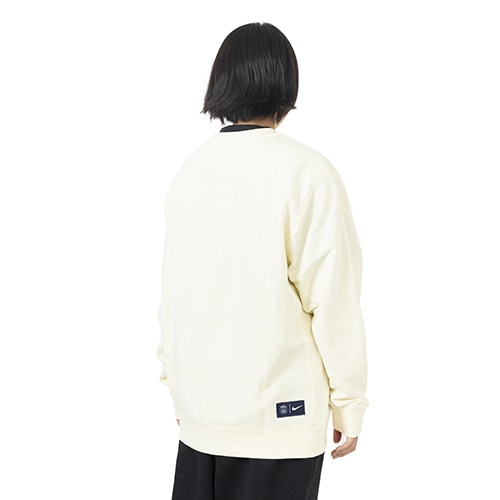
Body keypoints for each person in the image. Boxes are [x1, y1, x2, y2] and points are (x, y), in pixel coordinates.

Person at [157, 22, 368, 500]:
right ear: (286, 86)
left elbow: (174, 294)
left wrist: (180, 388)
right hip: (279, 425)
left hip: (200, 418)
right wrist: (349, 403)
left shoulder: (190, 172)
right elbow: (333, 300)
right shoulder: (308, 172)